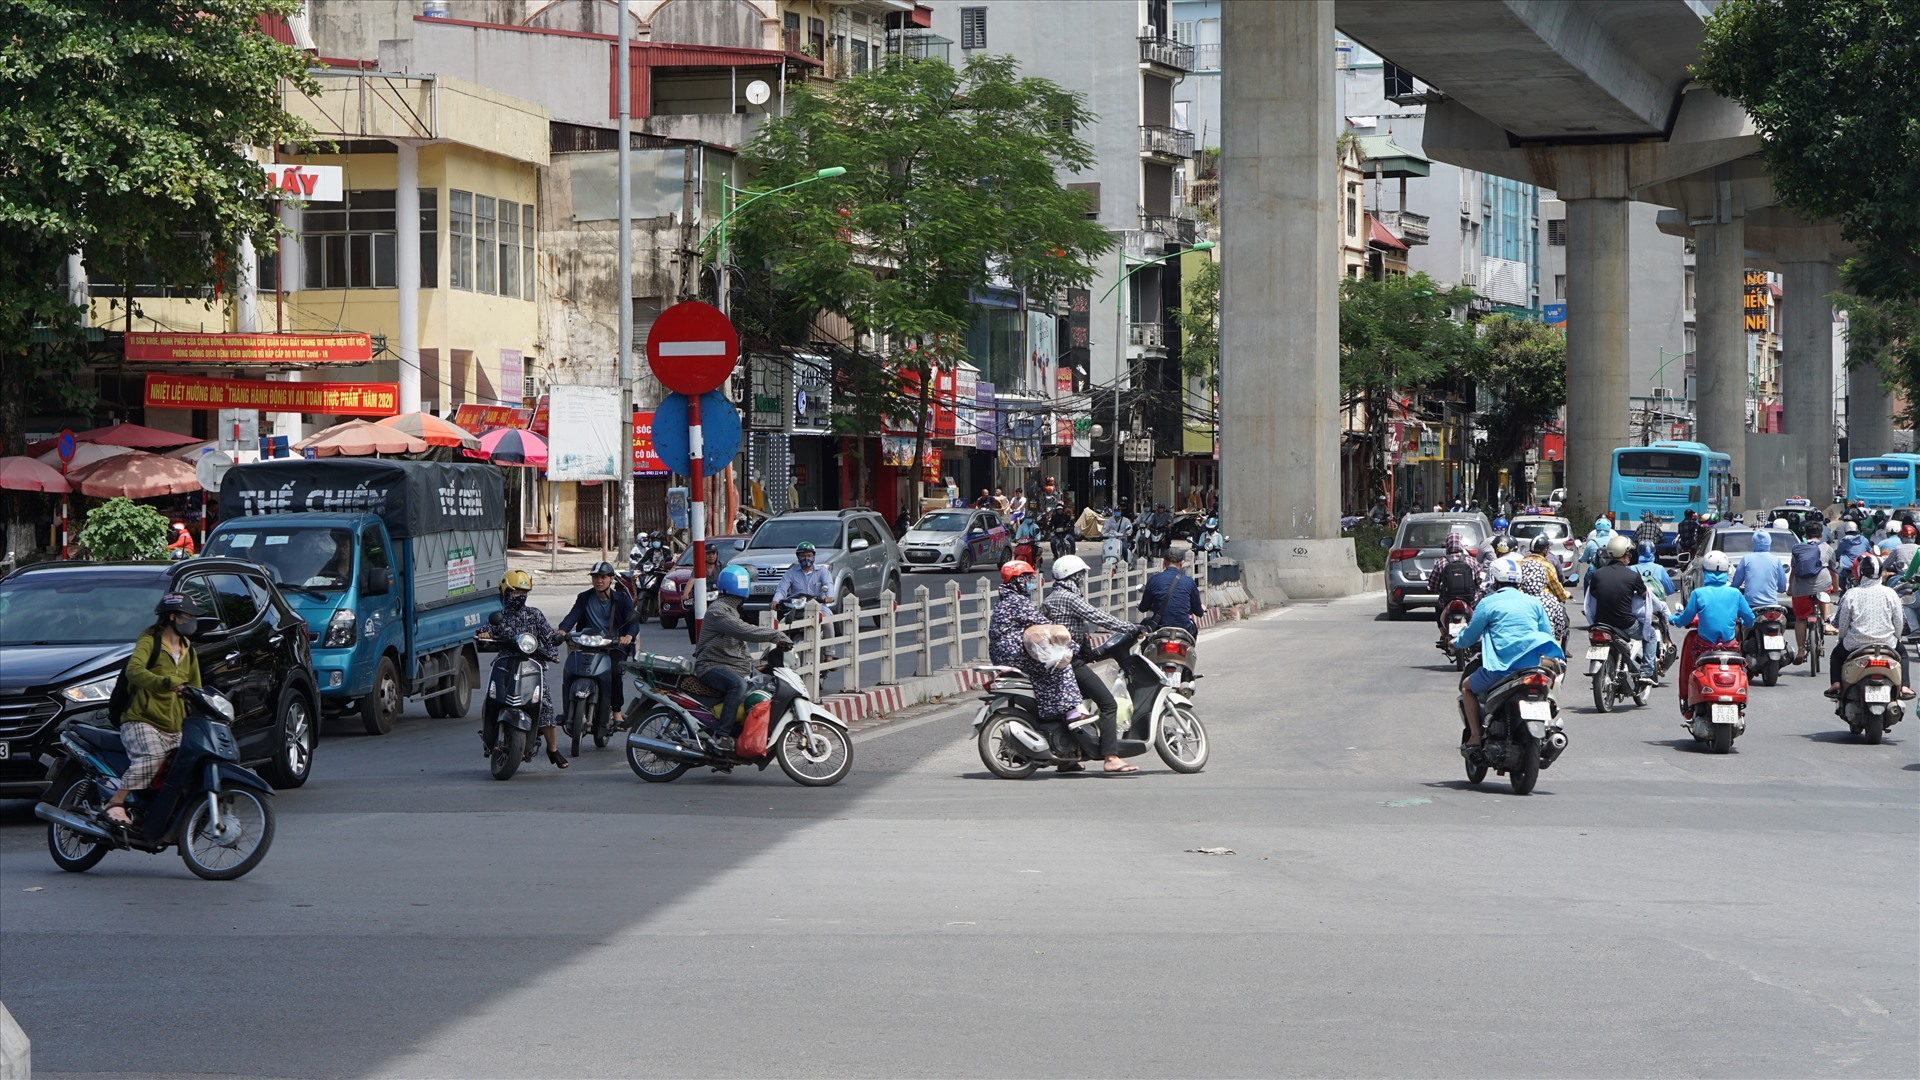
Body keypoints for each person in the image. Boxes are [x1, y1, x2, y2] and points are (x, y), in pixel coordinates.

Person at [102, 594, 204, 825]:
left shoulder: (189, 650)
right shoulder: (150, 641)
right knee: (153, 757)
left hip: (175, 725)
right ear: (172, 617)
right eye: (188, 616)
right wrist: (164, 682)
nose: (192, 621)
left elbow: (196, 688)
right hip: (142, 719)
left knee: (190, 764)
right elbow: (134, 671)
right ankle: (115, 802)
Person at [1041, 554, 1142, 774]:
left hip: (1059, 664)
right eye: (1080, 576)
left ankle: (1068, 758)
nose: (1082, 580)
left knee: (1073, 708)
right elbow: (1097, 616)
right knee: (1107, 704)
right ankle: (1111, 757)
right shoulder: (1069, 598)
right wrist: (1129, 627)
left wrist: (1091, 653)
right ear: (1073, 577)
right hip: (1072, 663)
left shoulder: (1050, 599)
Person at [1452, 555, 1563, 748]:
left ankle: (1476, 736)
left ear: (1494, 580)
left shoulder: (1488, 603)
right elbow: (1546, 634)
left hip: (1499, 670)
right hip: (1531, 668)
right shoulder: (1534, 603)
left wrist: (1456, 643)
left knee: (1466, 688)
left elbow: (1470, 635)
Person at [478, 570, 570, 769]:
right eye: (516, 592)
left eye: (523, 592)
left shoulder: (534, 614)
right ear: (505, 592)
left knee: (545, 704)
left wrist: (554, 650)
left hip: (532, 665)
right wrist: (484, 635)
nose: (520, 596)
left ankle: (552, 749)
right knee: (492, 697)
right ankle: (489, 736)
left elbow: (548, 635)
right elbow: (485, 631)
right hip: (505, 663)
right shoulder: (499, 617)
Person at [695, 564, 792, 743]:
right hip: (711, 665)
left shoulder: (730, 610)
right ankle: (722, 735)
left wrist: (755, 666)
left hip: (729, 665)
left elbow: (739, 646)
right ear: (740, 586)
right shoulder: (719, 611)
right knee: (738, 685)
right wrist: (775, 635)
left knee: (764, 684)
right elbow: (743, 631)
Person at [987, 560, 1081, 725]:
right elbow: (1045, 625)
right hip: (1014, 654)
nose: (1030, 583)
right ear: (1018, 580)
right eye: (1027, 579)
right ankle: (1066, 711)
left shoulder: (1004, 599)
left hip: (999, 654)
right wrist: (1072, 646)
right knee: (1056, 667)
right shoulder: (1018, 601)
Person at [1672, 551, 1756, 715]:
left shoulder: (1698, 593)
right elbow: (1749, 618)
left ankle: (1687, 702)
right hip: (1729, 647)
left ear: (1705, 572)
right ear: (1726, 572)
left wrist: (1674, 620)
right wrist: (1746, 623)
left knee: (1690, 669)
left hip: (1704, 647)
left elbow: (1686, 618)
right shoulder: (1735, 593)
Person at [557, 561, 638, 729]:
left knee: (615, 672)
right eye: (595, 577)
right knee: (570, 670)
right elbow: (572, 616)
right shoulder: (584, 597)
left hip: (614, 644)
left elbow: (633, 622)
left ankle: (616, 712)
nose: (599, 581)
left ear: (611, 579)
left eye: (603, 577)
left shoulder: (622, 599)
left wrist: (628, 636)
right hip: (588, 643)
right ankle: (567, 712)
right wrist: (562, 631)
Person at [1827, 554, 1914, 700]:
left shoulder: (1851, 594)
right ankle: (1905, 687)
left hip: (1855, 643)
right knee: (1903, 654)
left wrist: (1842, 639)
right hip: (1887, 643)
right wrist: (1896, 638)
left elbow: (1842, 623)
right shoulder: (1890, 593)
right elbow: (1899, 621)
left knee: (1836, 655)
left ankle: (1836, 684)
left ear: (1861, 573)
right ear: (1881, 573)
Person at [1584, 535, 1658, 683]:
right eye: (1628, 554)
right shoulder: (1632, 576)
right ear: (1624, 555)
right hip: (1626, 624)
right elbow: (1646, 596)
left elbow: (1593, 594)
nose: (1629, 557)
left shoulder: (1598, 574)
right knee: (1651, 635)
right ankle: (1647, 672)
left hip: (1601, 623)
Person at [1789, 519, 1836, 663]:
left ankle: (1801, 650)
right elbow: (1833, 571)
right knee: (1825, 594)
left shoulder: (1798, 548)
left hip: (1801, 588)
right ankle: (1827, 621)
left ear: (1805, 534)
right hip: (1822, 584)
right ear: (1821, 534)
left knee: (1800, 618)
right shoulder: (1827, 548)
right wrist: (1836, 587)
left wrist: (1790, 587)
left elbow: (1794, 570)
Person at [1426, 533, 1482, 645]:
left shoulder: (1441, 562)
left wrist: (1431, 589)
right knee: (1479, 609)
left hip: (1447, 600)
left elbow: (1433, 584)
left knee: (1438, 607)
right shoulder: (1472, 561)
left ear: (1447, 545)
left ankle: (1443, 633)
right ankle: (1476, 633)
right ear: (1461, 545)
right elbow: (1479, 581)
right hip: (1470, 600)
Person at [1139, 546, 1204, 634]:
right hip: (1184, 628)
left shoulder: (1154, 580)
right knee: (1193, 628)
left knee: (1144, 626)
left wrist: (1140, 605)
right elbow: (1198, 612)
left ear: (1164, 563)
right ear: (1182, 563)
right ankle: (1189, 648)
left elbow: (1143, 608)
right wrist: (1201, 609)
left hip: (1159, 628)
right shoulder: (1189, 582)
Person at [1519, 534, 1570, 642]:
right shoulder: (1550, 602)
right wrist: (1564, 596)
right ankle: (1558, 656)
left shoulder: (1519, 563)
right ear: (1545, 550)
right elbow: (1557, 587)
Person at [1833, 520, 1870, 588]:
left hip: (1848, 567)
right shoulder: (1864, 540)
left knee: (1839, 574)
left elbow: (1838, 553)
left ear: (1846, 531)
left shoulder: (1844, 541)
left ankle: (1842, 591)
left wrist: (1835, 557)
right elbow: (1868, 551)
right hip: (1861, 567)